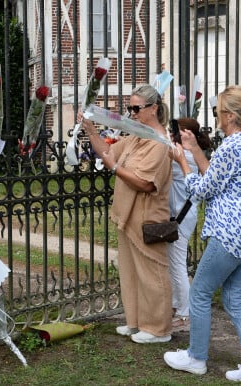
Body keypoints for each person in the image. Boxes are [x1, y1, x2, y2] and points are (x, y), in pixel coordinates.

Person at [163, 85, 241, 385]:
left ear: (230, 115)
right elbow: (216, 176)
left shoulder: (230, 147)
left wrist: (182, 160)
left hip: (229, 235)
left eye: (218, 111)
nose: (216, 116)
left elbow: (200, 190)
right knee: (235, 300)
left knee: (199, 294)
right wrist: (196, 150)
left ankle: (196, 357)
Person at [79, 84, 173, 343]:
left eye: (136, 108)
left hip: (148, 216)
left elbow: (144, 182)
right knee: (131, 272)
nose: (131, 113)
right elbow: (108, 152)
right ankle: (136, 322)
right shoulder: (137, 136)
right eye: (129, 108)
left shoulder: (159, 142)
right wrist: (90, 129)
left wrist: (114, 168)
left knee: (152, 273)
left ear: (153, 109)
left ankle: (158, 329)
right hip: (127, 215)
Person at [168, 118, 212, 332]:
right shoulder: (189, 154)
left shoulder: (183, 156)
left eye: (172, 131)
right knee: (174, 263)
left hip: (181, 216)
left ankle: (186, 314)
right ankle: (177, 305)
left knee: (177, 264)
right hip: (183, 214)